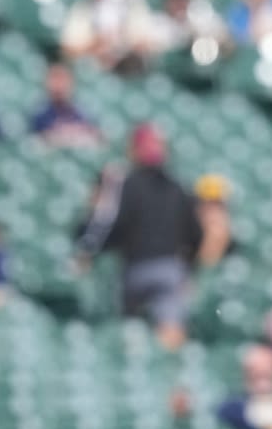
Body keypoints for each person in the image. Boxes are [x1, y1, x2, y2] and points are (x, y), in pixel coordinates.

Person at [75, 122, 203, 349]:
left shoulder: (127, 184)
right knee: (171, 327)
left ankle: (136, 370)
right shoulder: (177, 187)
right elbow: (196, 233)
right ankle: (169, 373)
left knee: (131, 331)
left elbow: (111, 223)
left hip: (136, 267)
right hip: (170, 267)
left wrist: (88, 251)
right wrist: (189, 267)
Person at [30, 62, 103, 147]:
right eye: (54, 78)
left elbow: (98, 137)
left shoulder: (83, 111)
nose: (58, 85)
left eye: (62, 79)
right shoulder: (39, 113)